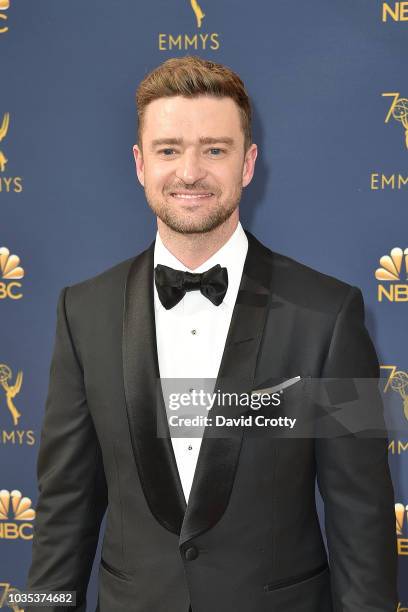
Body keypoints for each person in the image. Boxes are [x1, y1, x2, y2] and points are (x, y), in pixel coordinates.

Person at [25, 55, 398, 612]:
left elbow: (361, 518)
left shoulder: (326, 315)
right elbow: (64, 512)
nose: (190, 172)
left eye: (214, 149)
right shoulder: (85, 313)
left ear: (248, 164)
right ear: (139, 163)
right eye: (169, 149)